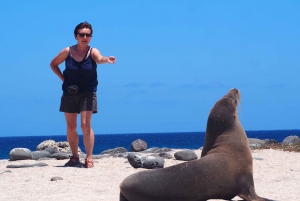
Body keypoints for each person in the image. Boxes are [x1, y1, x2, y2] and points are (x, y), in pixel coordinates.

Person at [50, 22, 116, 168]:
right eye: (82, 34)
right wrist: (64, 80)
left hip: (88, 92)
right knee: (71, 126)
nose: (85, 37)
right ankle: (74, 156)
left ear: (90, 37)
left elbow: (99, 58)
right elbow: (53, 64)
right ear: (76, 36)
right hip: (70, 93)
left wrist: (107, 59)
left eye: (88, 34)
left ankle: (89, 157)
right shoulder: (68, 51)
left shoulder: (92, 51)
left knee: (85, 125)